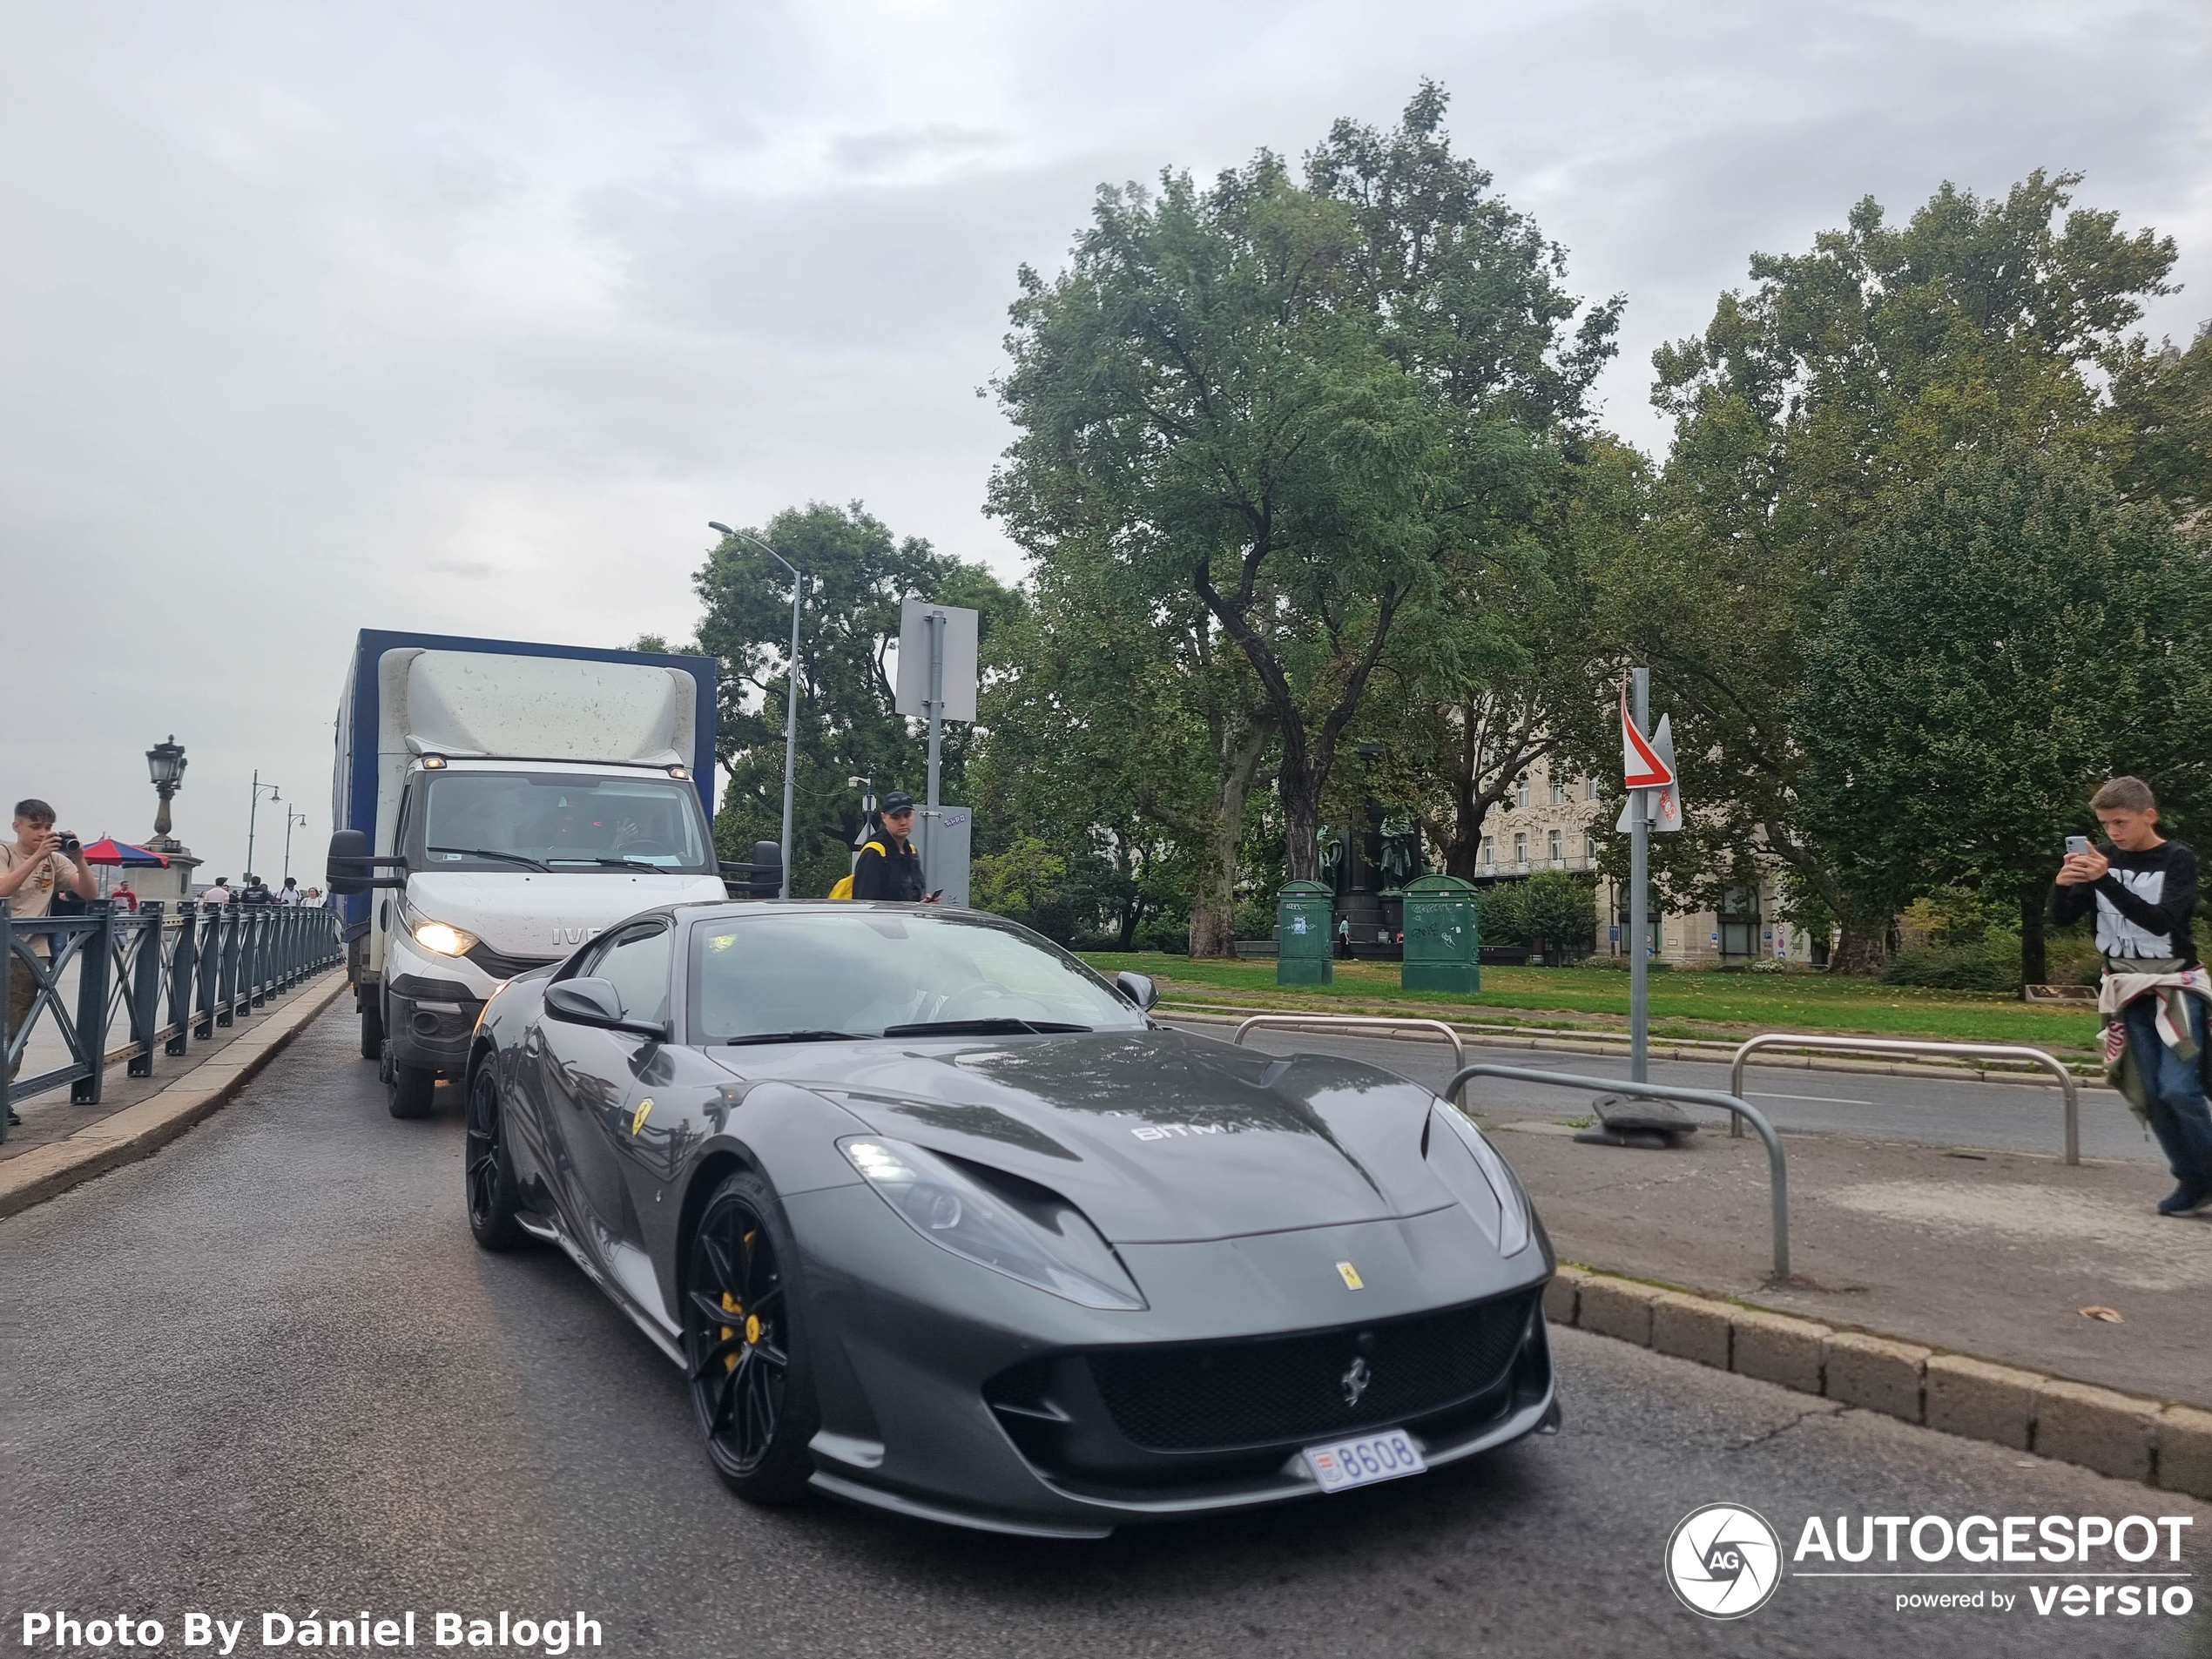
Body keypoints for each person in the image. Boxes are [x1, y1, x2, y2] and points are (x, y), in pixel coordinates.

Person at [2054, 776, 2212, 1216]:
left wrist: (2105, 880)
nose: (2114, 833)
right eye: (2105, 824)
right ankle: (2193, 1180)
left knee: (2180, 1090)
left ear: (2149, 816)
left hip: (2176, 986)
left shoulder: (2178, 859)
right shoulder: (2103, 861)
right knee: (2148, 1093)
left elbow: (2162, 922)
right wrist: (2063, 883)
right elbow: (2063, 919)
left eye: (2121, 822)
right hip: (2125, 988)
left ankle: (2205, 1176)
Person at [2, 798, 98, 1121]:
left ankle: (4, 1095)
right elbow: (3, 888)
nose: (42, 833)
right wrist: (38, 857)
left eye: (47, 828)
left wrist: (80, 858)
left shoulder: (56, 860)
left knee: (16, 1028)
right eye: (35, 827)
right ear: (17, 825)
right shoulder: (5, 851)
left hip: (30, 954)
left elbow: (89, 893)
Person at [849, 792, 935, 903]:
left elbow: (908, 898)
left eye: (907, 815)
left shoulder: (911, 851)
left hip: (905, 919)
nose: (903, 822)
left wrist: (924, 904)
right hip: (881, 920)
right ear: (884, 818)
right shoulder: (874, 853)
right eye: (895, 817)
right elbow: (863, 905)